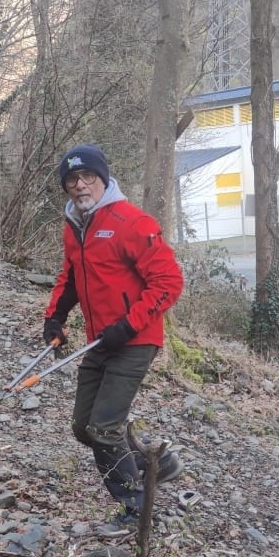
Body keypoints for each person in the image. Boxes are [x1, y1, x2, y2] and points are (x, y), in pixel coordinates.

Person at [42, 144, 185, 527]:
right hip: (100, 340)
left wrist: (128, 324)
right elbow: (71, 277)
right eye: (72, 179)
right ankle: (155, 463)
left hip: (135, 339)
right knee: (83, 427)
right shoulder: (75, 225)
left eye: (88, 176)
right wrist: (55, 317)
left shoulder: (132, 222)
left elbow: (169, 282)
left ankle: (137, 510)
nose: (80, 185)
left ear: (103, 179)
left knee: (104, 429)